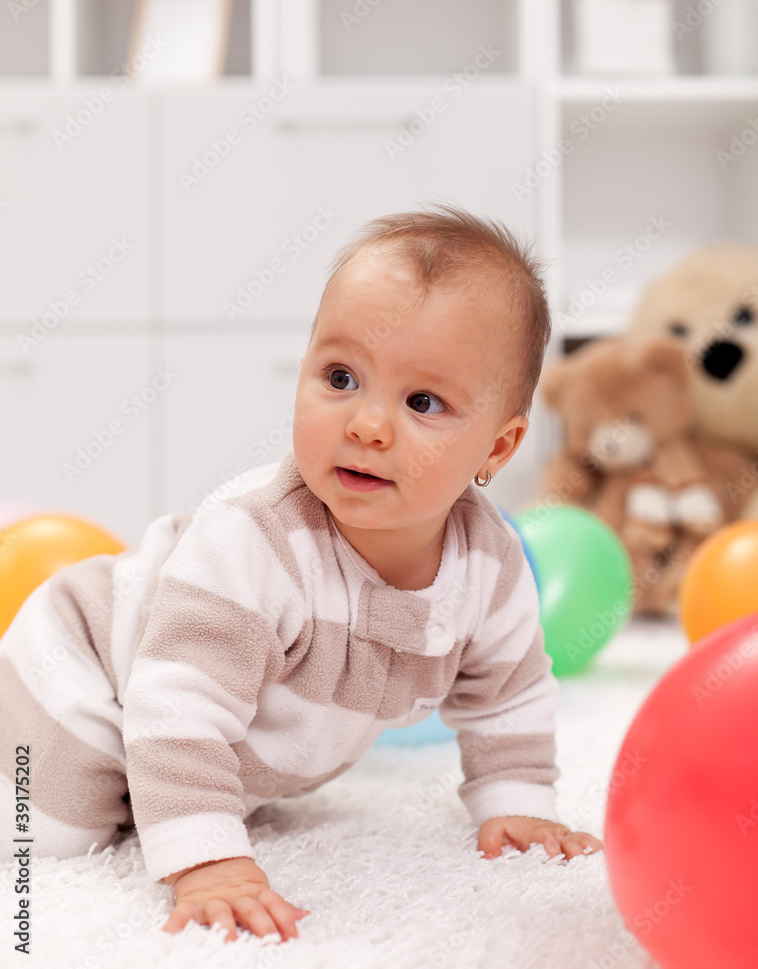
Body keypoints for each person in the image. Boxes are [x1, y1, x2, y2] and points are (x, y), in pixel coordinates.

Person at [0, 204, 603, 946]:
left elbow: (508, 694)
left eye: (422, 402)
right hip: (82, 678)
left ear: (500, 447)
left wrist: (516, 801)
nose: (367, 425)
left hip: (186, 728)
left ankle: (164, 795)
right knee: (43, 835)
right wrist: (209, 862)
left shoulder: (490, 565)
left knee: (160, 797)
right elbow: (177, 706)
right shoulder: (255, 541)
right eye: (341, 377)